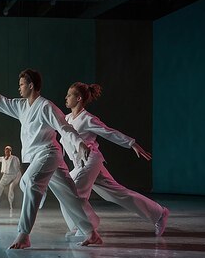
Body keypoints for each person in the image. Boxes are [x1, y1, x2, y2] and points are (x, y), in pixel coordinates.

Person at [0, 69, 102, 249]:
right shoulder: (21, 106)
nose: (19, 88)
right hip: (39, 157)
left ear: (31, 85)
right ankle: (91, 233)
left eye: (22, 84)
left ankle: (23, 235)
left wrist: (79, 143)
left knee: (30, 181)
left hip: (48, 153)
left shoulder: (46, 106)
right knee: (69, 195)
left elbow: (64, 127)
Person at [59, 82, 169, 237]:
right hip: (81, 164)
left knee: (70, 191)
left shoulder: (87, 119)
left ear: (79, 98)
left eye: (69, 95)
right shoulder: (67, 118)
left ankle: (84, 226)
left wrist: (132, 143)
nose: (66, 97)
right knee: (118, 193)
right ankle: (159, 213)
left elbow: (108, 132)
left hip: (90, 160)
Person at [0, 145, 21, 212]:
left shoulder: (14, 158)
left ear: (10, 151)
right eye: (6, 150)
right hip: (6, 176)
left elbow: (18, 167)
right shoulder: (3, 158)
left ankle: (11, 205)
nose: (7, 151)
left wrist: (17, 175)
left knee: (11, 187)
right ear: (4, 151)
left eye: (8, 150)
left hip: (15, 175)